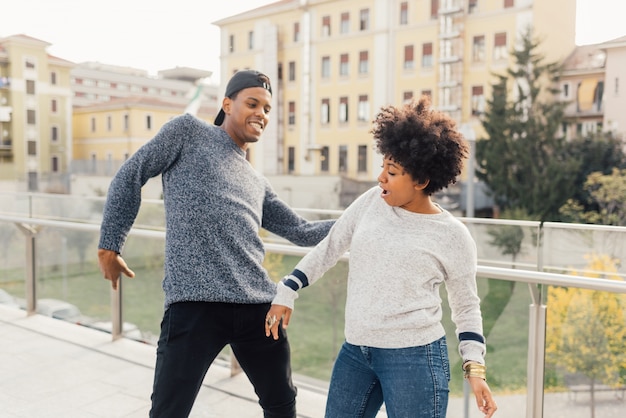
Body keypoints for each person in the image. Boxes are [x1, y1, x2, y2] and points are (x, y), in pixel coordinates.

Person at [97, 69, 334, 418]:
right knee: (168, 411)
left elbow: (300, 230)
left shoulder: (256, 180)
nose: (261, 114)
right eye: (253, 103)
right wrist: (110, 245)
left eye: (267, 109)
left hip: (257, 308)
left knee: (282, 405)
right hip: (194, 307)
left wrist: (360, 221)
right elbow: (130, 175)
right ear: (227, 103)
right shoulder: (187, 132)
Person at [265, 96, 498, 418]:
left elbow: (466, 306)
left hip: (414, 359)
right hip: (356, 353)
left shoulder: (452, 235)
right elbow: (331, 246)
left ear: (421, 181)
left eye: (392, 172)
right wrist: (288, 288)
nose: (380, 179)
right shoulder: (372, 201)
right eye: (382, 168)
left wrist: (475, 367)